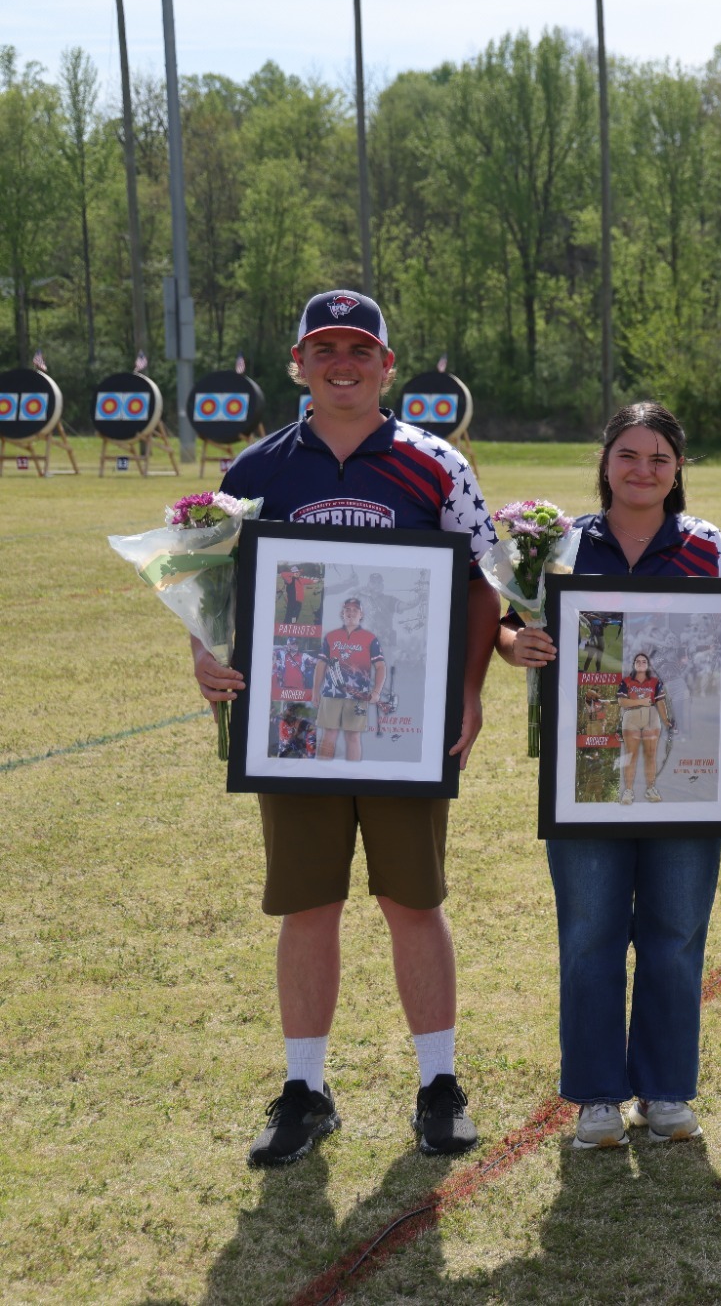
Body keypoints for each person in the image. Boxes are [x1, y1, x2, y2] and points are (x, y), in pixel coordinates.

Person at [192, 290, 499, 1166]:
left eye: (358, 349)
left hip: (403, 720)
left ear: (386, 366)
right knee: (307, 902)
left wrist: (470, 689)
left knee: (413, 898)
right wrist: (202, 653)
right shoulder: (254, 470)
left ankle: (438, 1083)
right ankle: (305, 1087)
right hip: (293, 720)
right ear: (298, 362)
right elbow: (210, 581)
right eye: (323, 348)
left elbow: (482, 583)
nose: (342, 363)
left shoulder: (435, 462)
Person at [498, 401, 721, 1150]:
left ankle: (664, 1091)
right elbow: (507, 623)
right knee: (589, 931)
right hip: (584, 766)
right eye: (628, 454)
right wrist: (510, 642)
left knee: (676, 931)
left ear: (678, 467)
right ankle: (594, 1096)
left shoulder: (708, 546)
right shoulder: (557, 545)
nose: (643, 469)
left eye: (659, 456)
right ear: (605, 462)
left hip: (689, 772)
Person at [314, 596, 387, 762]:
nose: (351, 613)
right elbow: (321, 665)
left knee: (353, 737)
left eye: (355, 610)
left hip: (358, 696)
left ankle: (353, 779)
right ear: (342, 613)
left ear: (361, 614)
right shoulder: (331, 636)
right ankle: (322, 775)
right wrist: (315, 692)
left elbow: (381, 667)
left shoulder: (370, 638)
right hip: (330, 694)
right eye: (348, 610)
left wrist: (376, 692)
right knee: (328, 735)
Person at [615, 650, 670, 805]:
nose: (640, 663)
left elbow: (660, 702)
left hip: (651, 716)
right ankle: (628, 791)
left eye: (643, 661)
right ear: (634, 665)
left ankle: (651, 788)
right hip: (631, 717)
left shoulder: (655, 682)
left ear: (648, 665)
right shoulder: (626, 681)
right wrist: (640, 702)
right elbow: (622, 702)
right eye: (637, 661)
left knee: (650, 755)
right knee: (631, 755)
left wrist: (666, 720)